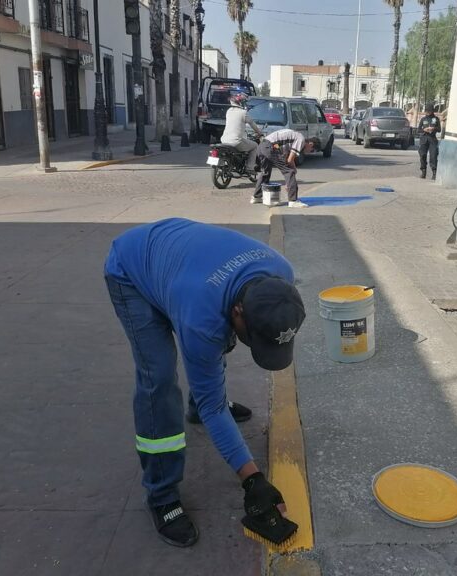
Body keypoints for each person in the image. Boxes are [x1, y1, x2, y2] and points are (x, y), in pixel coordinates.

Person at [104, 218, 306, 547]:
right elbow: (217, 404)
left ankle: (195, 405)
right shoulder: (202, 317)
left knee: (217, 340)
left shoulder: (280, 271)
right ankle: (161, 495)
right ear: (239, 310)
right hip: (131, 270)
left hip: (180, 263)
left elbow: (227, 322)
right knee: (159, 379)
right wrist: (252, 479)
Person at [252, 129, 318, 208]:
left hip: (262, 146)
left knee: (265, 172)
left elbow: (288, 159)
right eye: (312, 150)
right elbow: (290, 160)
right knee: (289, 172)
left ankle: (256, 197)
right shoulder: (301, 139)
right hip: (270, 147)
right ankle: (293, 201)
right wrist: (293, 172)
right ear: (311, 144)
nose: (309, 152)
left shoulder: (292, 138)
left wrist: (289, 181)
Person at [220, 92, 262, 173]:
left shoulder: (228, 111)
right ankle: (249, 168)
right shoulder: (243, 113)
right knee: (255, 146)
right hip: (236, 141)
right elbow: (252, 124)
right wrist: (259, 132)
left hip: (224, 139)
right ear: (241, 103)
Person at [418, 106, 442, 180]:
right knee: (422, 155)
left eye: (429, 111)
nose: (428, 112)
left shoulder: (436, 119)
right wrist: (424, 130)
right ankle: (423, 171)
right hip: (424, 139)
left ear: (432, 111)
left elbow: (439, 129)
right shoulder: (423, 119)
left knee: (433, 156)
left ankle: (434, 173)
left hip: (432, 139)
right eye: (427, 111)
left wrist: (433, 128)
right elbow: (418, 130)